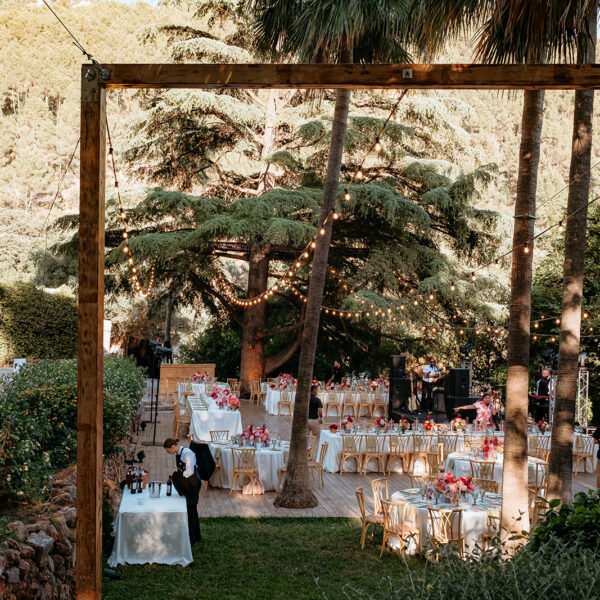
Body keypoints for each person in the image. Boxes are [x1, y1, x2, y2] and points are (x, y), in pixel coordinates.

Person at [163, 438, 201, 544]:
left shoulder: (187, 454)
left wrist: (179, 477)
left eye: (167, 450)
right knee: (190, 510)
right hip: (188, 483)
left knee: (191, 510)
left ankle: (193, 539)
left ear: (172, 447)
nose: (168, 453)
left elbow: (190, 471)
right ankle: (193, 536)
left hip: (193, 484)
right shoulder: (178, 453)